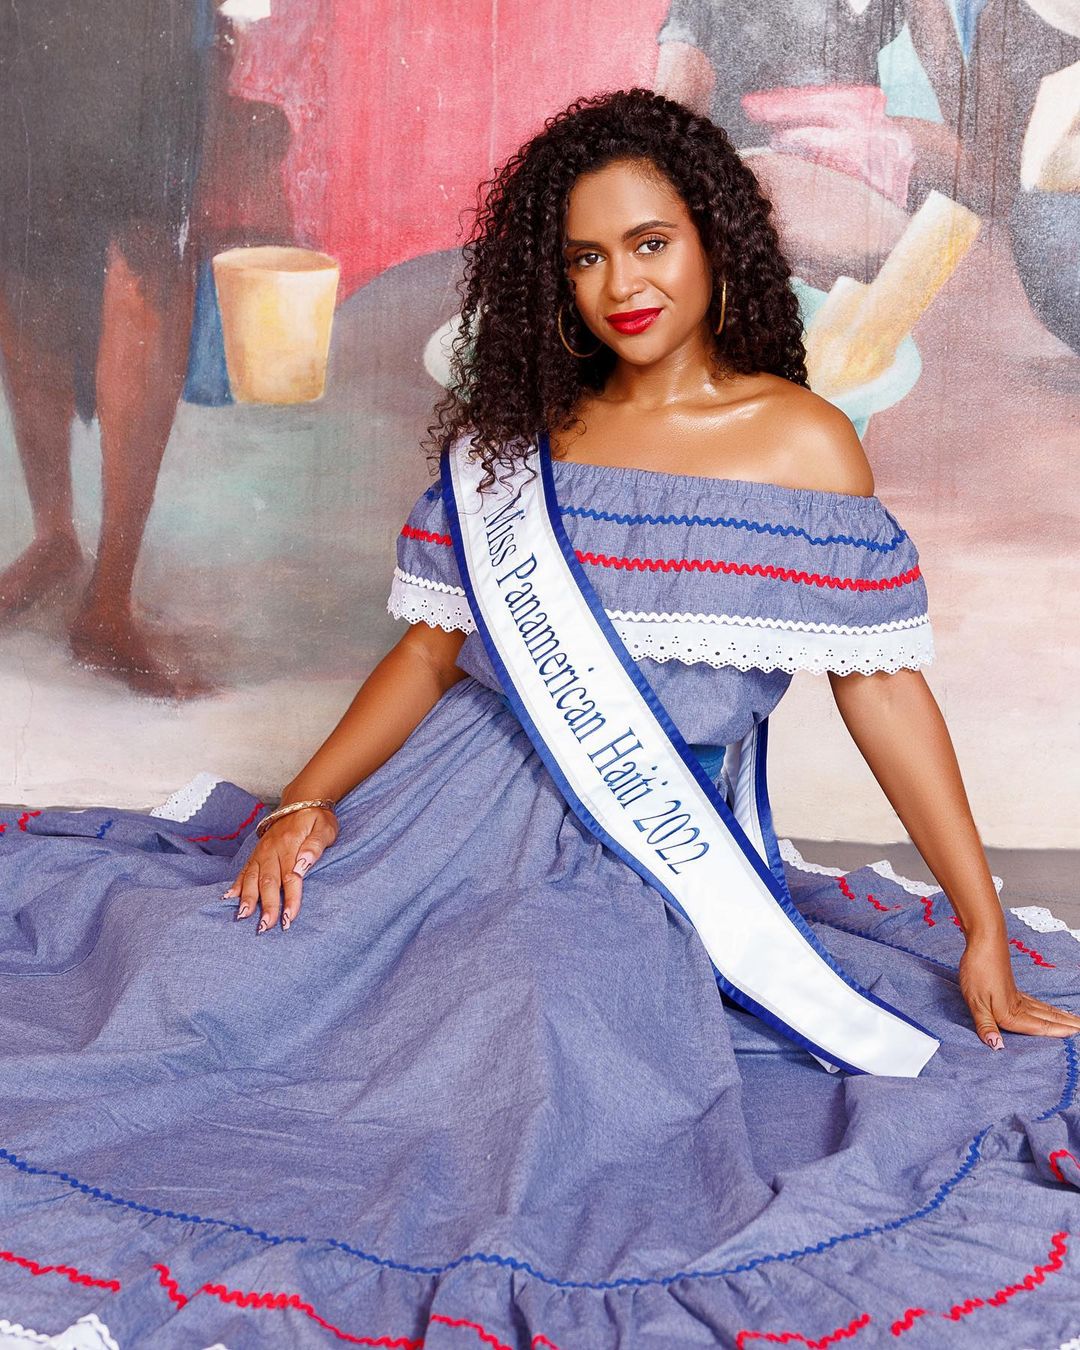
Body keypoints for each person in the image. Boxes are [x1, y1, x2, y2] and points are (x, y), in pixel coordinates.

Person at [1, 87, 1078, 1347]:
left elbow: (883, 692)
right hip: (433, 812)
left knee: (535, 1033)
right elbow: (427, 654)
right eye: (583, 255)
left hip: (629, 853)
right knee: (200, 982)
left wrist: (982, 927)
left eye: (649, 241)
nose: (620, 282)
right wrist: (305, 803)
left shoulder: (803, 443)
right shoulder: (531, 439)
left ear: (714, 238)